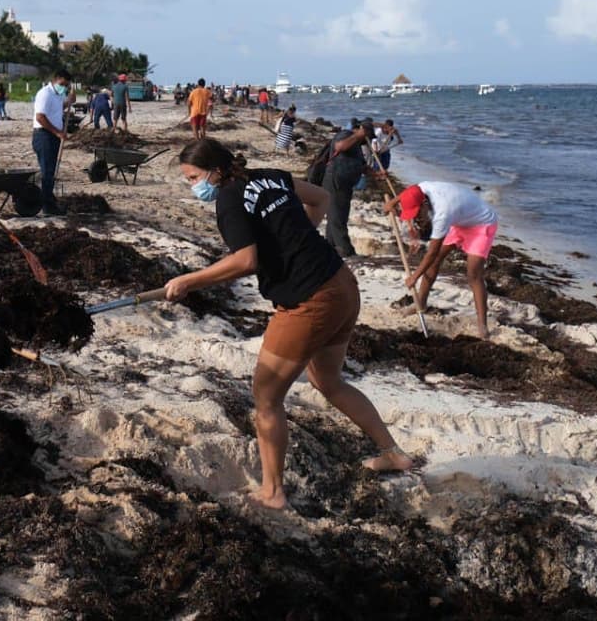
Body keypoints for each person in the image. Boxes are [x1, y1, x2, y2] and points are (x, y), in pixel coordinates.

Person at [165, 138, 412, 509]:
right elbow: (322, 200)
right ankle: (393, 453)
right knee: (327, 380)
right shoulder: (270, 176)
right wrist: (297, 240)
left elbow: (245, 261)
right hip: (342, 284)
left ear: (215, 171)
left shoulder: (229, 200)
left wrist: (189, 281)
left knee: (265, 398)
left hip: (309, 302)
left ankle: (273, 492)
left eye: (194, 177)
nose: (192, 186)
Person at [387, 182, 499, 339]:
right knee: (435, 261)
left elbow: (431, 252)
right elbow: (409, 191)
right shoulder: (423, 188)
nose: (417, 217)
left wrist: (414, 276)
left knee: (473, 274)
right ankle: (421, 303)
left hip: (482, 223)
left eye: (418, 212)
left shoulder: (442, 214)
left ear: (424, 203)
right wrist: (392, 202)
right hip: (460, 220)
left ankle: (482, 326)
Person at [323, 118, 375, 258]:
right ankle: (346, 251)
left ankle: (329, 247)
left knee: (338, 215)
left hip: (346, 184)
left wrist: (377, 174)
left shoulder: (357, 145)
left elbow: (363, 166)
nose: (367, 139)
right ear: (361, 130)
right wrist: (359, 135)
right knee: (337, 216)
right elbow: (339, 147)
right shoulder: (346, 135)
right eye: (368, 135)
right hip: (335, 180)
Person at [32, 68, 73, 216]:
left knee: (50, 170)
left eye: (66, 85)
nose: (64, 87)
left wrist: (68, 102)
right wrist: (57, 132)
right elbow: (40, 117)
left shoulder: (58, 95)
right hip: (44, 136)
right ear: (56, 79)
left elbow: (56, 110)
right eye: (62, 83)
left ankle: (48, 198)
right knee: (47, 172)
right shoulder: (45, 94)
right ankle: (48, 206)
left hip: (53, 137)